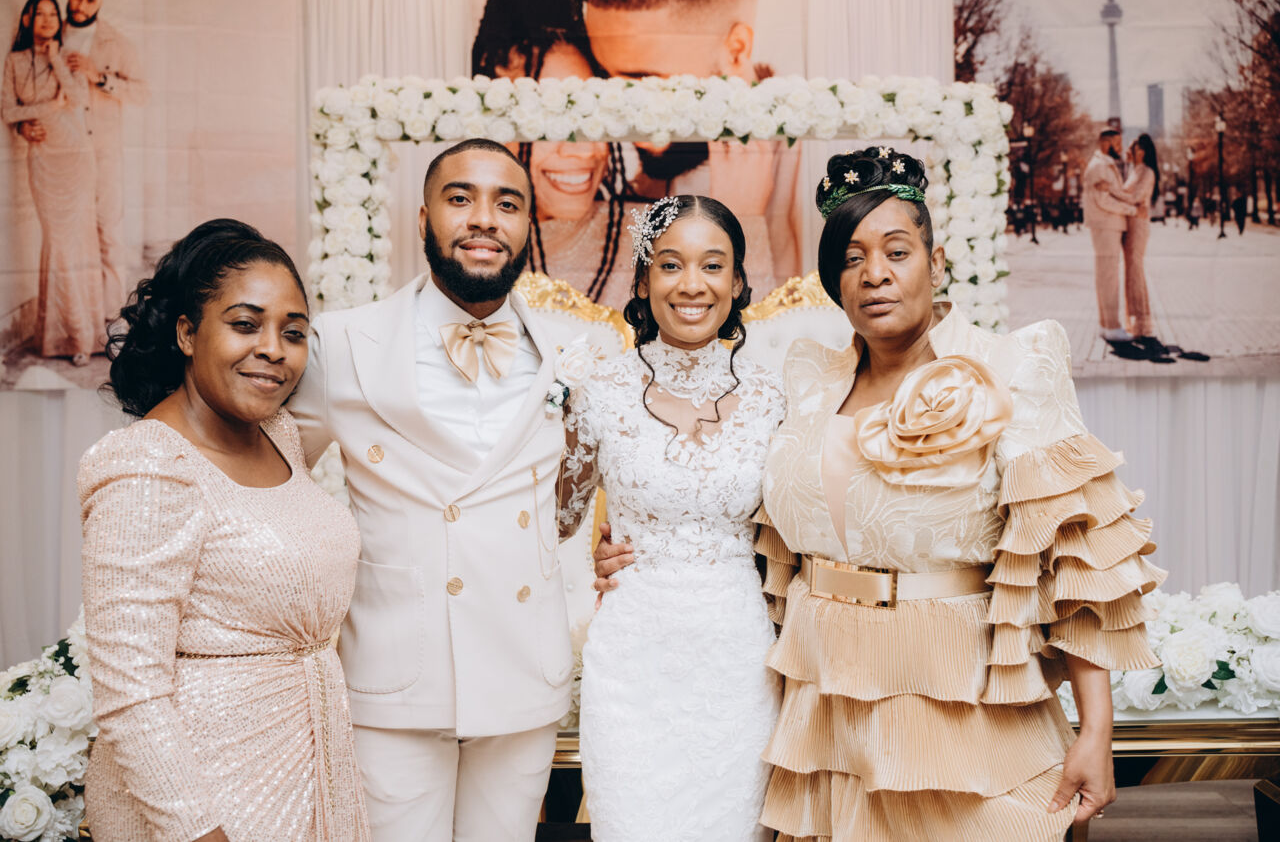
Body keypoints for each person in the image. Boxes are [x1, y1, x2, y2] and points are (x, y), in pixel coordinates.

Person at [749, 148, 1165, 841]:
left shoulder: (1011, 366)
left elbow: (1076, 559)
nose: (874, 274)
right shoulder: (808, 380)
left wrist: (1097, 730)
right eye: (851, 258)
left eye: (897, 252)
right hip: (827, 707)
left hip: (964, 700)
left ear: (936, 263)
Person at [289, 139, 574, 842]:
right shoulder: (343, 344)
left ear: (528, 226)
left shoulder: (570, 352)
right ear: (423, 218)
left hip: (522, 673)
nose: (484, 219)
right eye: (460, 198)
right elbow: (270, 477)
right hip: (396, 676)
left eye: (506, 204)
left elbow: (588, 486)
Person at [80, 219, 371, 841]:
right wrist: (197, 831)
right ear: (188, 333)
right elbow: (129, 691)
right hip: (206, 802)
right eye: (245, 325)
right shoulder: (149, 466)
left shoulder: (281, 436)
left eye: (293, 333)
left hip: (310, 772)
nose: (273, 349)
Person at [558, 195, 782, 841]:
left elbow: (796, 529)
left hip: (738, 658)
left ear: (737, 282)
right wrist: (557, 418)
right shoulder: (597, 390)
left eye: (712, 265)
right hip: (633, 661)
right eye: (670, 264)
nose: (692, 285)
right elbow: (556, 520)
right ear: (643, 280)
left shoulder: (774, 396)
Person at [585, 0, 802, 291]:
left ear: (736, 51)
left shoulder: (808, 148)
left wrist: (743, 222)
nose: (621, 112)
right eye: (604, 77)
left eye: (646, 81)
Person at [472, 0, 638, 307]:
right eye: (551, 118)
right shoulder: (461, 249)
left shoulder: (653, 240)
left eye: (592, 117)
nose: (585, 151)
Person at [2, 0, 101, 365]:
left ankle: (82, 336)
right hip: (43, 161)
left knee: (77, 244)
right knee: (57, 243)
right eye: (39, 14)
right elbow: (8, 111)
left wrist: (56, 58)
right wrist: (30, 121)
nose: (47, 21)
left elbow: (76, 99)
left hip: (76, 158)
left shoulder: (68, 56)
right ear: (28, 18)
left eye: (52, 15)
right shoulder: (14, 61)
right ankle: (58, 336)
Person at [61, 0, 149, 318]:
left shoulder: (116, 43)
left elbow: (141, 93)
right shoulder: (50, 34)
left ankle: (112, 315)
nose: (81, 6)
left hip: (103, 153)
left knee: (108, 231)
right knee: (69, 236)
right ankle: (75, 319)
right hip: (62, 152)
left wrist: (98, 77)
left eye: (90, 0)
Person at [1082, 128, 1148, 357]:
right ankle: (1111, 327)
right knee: (1109, 278)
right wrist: (1133, 210)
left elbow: (1112, 193)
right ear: (1106, 142)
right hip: (1106, 226)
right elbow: (1103, 201)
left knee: (1106, 277)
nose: (1120, 147)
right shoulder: (1099, 166)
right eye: (1117, 143)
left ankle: (1106, 324)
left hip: (1107, 226)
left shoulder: (1104, 164)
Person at [1119, 133, 1173, 361]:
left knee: (1136, 273)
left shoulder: (1147, 172)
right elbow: (1127, 197)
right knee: (1131, 275)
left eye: (1131, 147)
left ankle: (1143, 325)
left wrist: (1114, 193)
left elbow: (1135, 197)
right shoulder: (1134, 171)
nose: (1127, 150)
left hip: (1138, 227)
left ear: (1141, 151)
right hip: (1128, 226)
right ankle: (1134, 324)